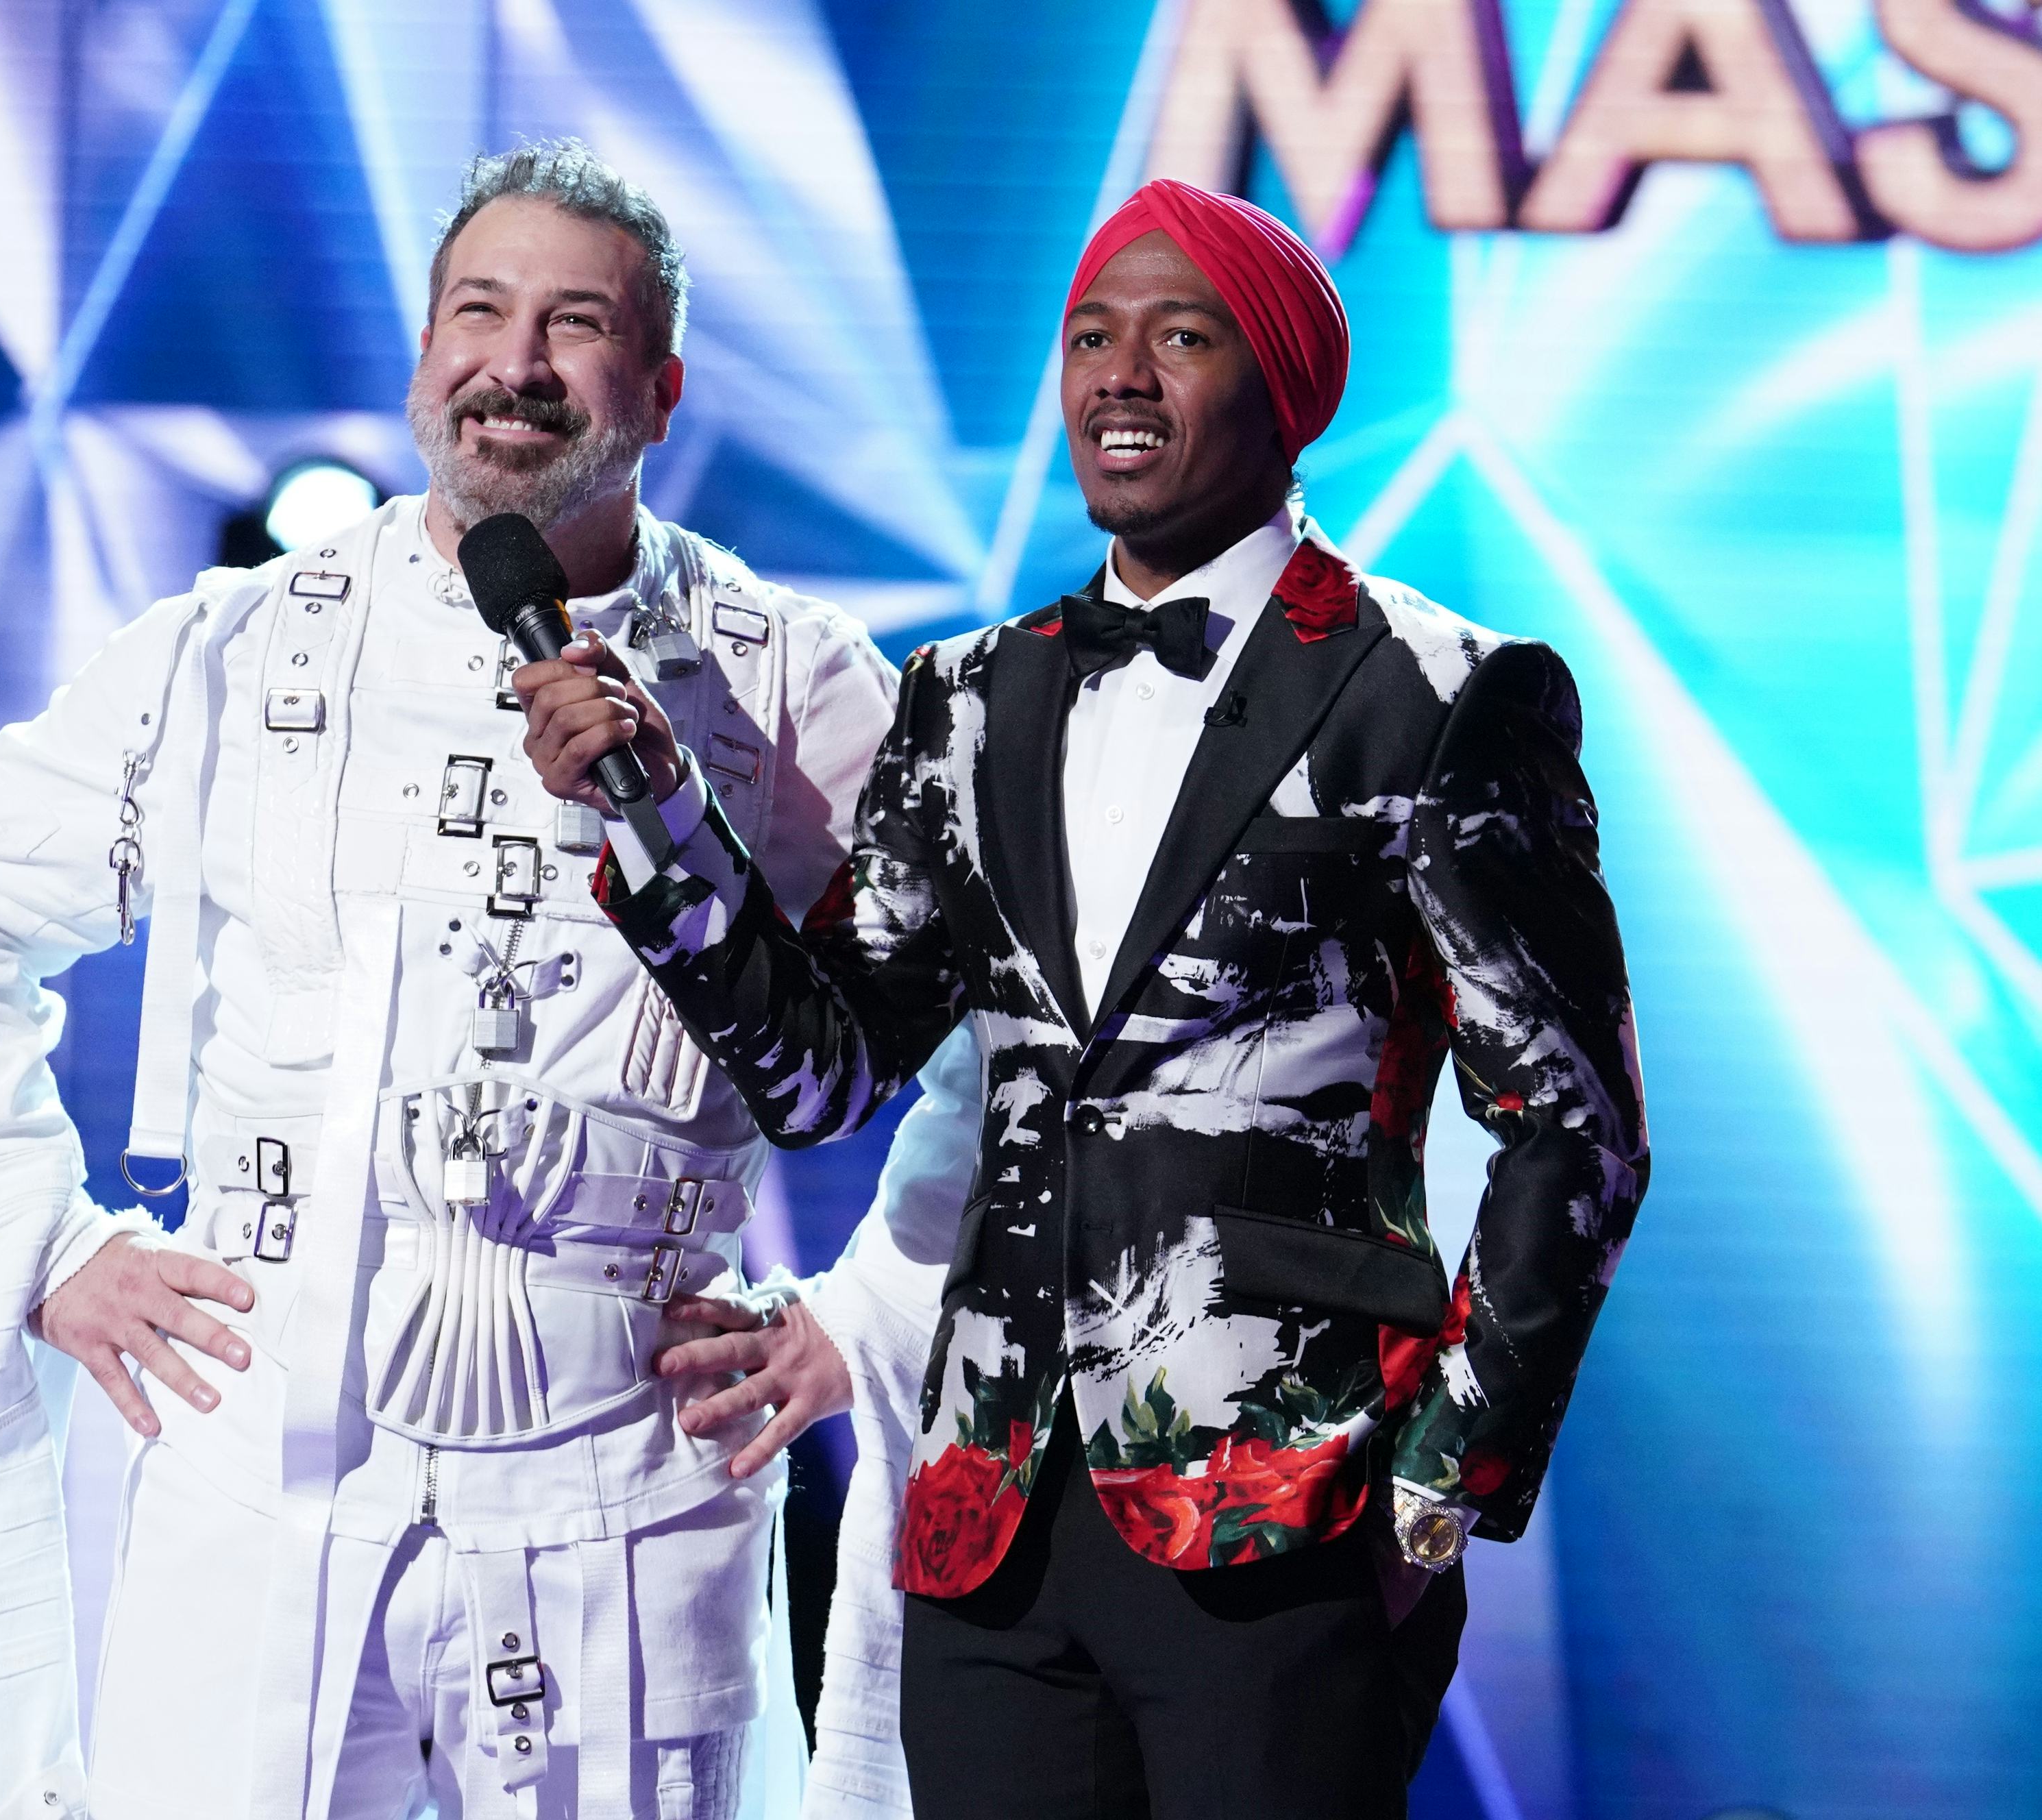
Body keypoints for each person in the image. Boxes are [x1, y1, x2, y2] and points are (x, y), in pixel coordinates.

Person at [517, 177, 1651, 1818]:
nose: (1119, 373)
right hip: (990, 1513)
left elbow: (1575, 1127)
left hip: (1293, 1500)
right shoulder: (970, 695)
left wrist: (1442, 1479)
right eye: (1090, 337)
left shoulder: (1440, 694)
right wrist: (660, 820)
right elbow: (826, 1074)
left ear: (1283, 388)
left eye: (1179, 337)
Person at [0, 140, 906, 1820]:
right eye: (479, 311)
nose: (515, 364)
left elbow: (1004, 1042)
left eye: (574, 325)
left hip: (632, 1486)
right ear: (422, 354)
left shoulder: (795, 684)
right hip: (259, 1470)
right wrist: (37, 1240)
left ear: (662, 386)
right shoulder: (238, 647)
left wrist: (863, 1316)